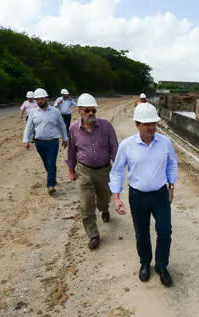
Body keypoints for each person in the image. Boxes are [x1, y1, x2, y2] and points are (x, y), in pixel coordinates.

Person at [110, 103, 178, 287]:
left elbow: (172, 163)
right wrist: (116, 197)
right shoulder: (127, 145)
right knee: (141, 233)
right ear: (137, 124)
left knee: (165, 230)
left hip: (160, 195)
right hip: (138, 196)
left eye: (153, 124)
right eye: (146, 124)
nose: (151, 128)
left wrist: (171, 185)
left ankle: (162, 265)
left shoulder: (165, 143)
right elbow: (117, 171)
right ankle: (145, 262)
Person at [66, 93, 119, 250]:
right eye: (87, 110)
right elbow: (71, 151)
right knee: (86, 203)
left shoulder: (106, 126)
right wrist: (71, 170)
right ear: (79, 111)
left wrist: (118, 168)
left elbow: (114, 148)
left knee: (104, 198)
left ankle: (104, 209)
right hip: (84, 171)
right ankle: (93, 235)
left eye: (93, 111)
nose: (91, 114)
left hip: (104, 170)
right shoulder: (73, 129)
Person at [23, 88, 68, 194]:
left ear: (47, 99)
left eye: (42, 99)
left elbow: (62, 125)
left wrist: (65, 138)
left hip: (53, 142)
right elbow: (29, 127)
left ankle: (50, 185)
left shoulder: (55, 111)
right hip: (39, 142)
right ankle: (52, 178)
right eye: (38, 99)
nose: (40, 101)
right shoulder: (33, 113)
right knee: (46, 162)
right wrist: (26, 140)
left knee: (51, 162)